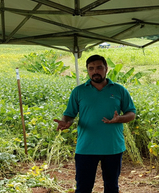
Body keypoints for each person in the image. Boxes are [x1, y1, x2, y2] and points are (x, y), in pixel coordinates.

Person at [54, 54, 136, 193]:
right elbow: (70, 114)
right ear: (87, 71)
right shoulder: (79, 91)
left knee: (112, 187)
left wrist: (119, 119)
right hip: (86, 147)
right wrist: (66, 122)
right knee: (83, 188)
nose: (95, 71)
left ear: (106, 69)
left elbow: (131, 113)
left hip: (112, 147)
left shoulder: (119, 90)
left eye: (99, 67)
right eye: (91, 68)